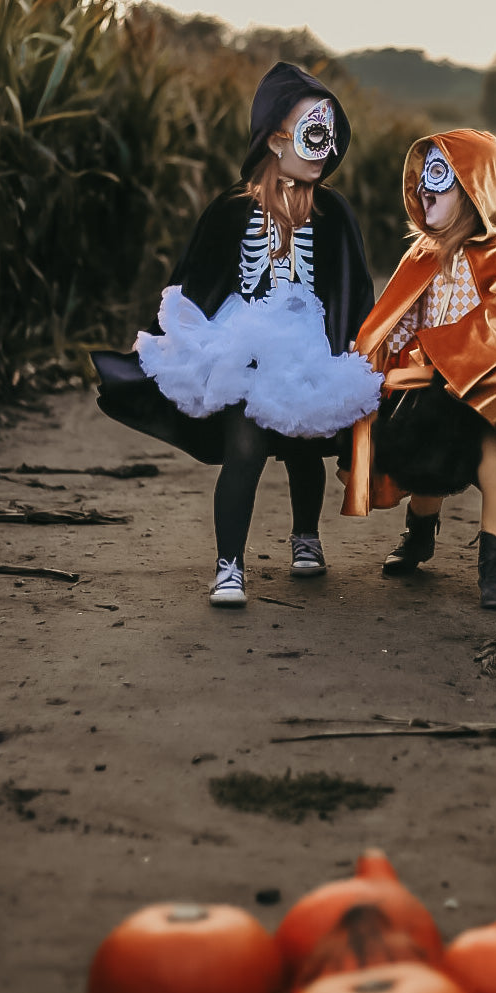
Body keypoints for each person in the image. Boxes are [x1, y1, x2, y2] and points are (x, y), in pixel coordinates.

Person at [92, 62, 378, 609]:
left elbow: (354, 285)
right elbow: (194, 278)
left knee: (302, 445)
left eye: (329, 135)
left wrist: (359, 346)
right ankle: (229, 565)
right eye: (311, 133)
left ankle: (306, 537)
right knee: (243, 446)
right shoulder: (233, 208)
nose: (323, 148)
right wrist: (163, 338)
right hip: (242, 348)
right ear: (276, 138)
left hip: (310, 348)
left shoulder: (334, 212)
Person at [340, 129, 496, 609]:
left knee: (495, 465)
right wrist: (372, 356)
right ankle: (419, 536)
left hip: (484, 392)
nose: (424, 189)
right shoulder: (421, 254)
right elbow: (401, 319)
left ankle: (494, 566)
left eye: (439, 177)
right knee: (426, 467)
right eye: (422, 177)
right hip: (432, 390)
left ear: (472, 189)